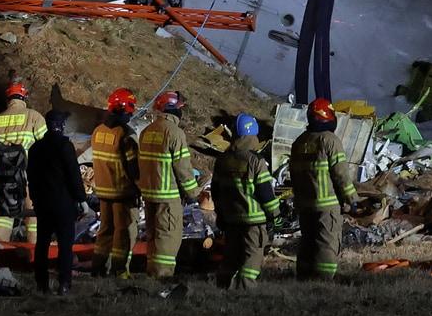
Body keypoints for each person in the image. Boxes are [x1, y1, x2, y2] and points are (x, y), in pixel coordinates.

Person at [289, 98, 357, 279]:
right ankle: (323, 281)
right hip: (327, 206)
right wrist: (352, 199)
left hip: (305, 204)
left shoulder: (299, 142)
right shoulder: (330, 140)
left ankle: (303, 277)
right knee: (326, 244)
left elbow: (293, 175)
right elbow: (340, 174)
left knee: (307, 242)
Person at [213, 112, 279, 290]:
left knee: (231, 256)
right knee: (251, 259)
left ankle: (223, 288)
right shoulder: (255, 161)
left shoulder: (222, 160)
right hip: (253, 222)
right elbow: (265, 194)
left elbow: (216, 192)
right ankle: (244, 290)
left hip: (231, 219)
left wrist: (220, 215)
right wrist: (275, 216)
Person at [137, 90, 200, 279]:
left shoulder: (147, 131)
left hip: (149, 194)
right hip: (168, 196)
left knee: (153, 236)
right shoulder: (174, 132)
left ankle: (152, 272)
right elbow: (183, 168)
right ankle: (163, 276)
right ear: (172, 109)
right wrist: (193, 192)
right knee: (167, 236)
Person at [27, 109, 87, 295]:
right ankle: (64, 284)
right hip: (63, 205)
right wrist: (81, 199)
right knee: (65, 246)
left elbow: (31, 177)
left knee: (42, 244)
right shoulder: (64, 146)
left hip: (43, 204)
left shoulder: (35, 148)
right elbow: (73, 175)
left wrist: (36, 200)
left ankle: (41, 284)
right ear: (61, 126)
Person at [91, 87, 141, 278]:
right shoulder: (126, 134)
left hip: (103, 192)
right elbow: (134, 168)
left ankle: (97, 268)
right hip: (123, 193)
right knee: (123, 232)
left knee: (105, 231)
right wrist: (140, 189)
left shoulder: (98, 132)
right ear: (127, 108)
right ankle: (119, 270)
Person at [0, 80, 48, 244]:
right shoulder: (34, 116)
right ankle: (35, 251)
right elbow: (47, 145)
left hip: (4, 177)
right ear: (24, 97)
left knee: (4, 216)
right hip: (29, 176)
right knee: (33, 216)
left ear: (8, 99)